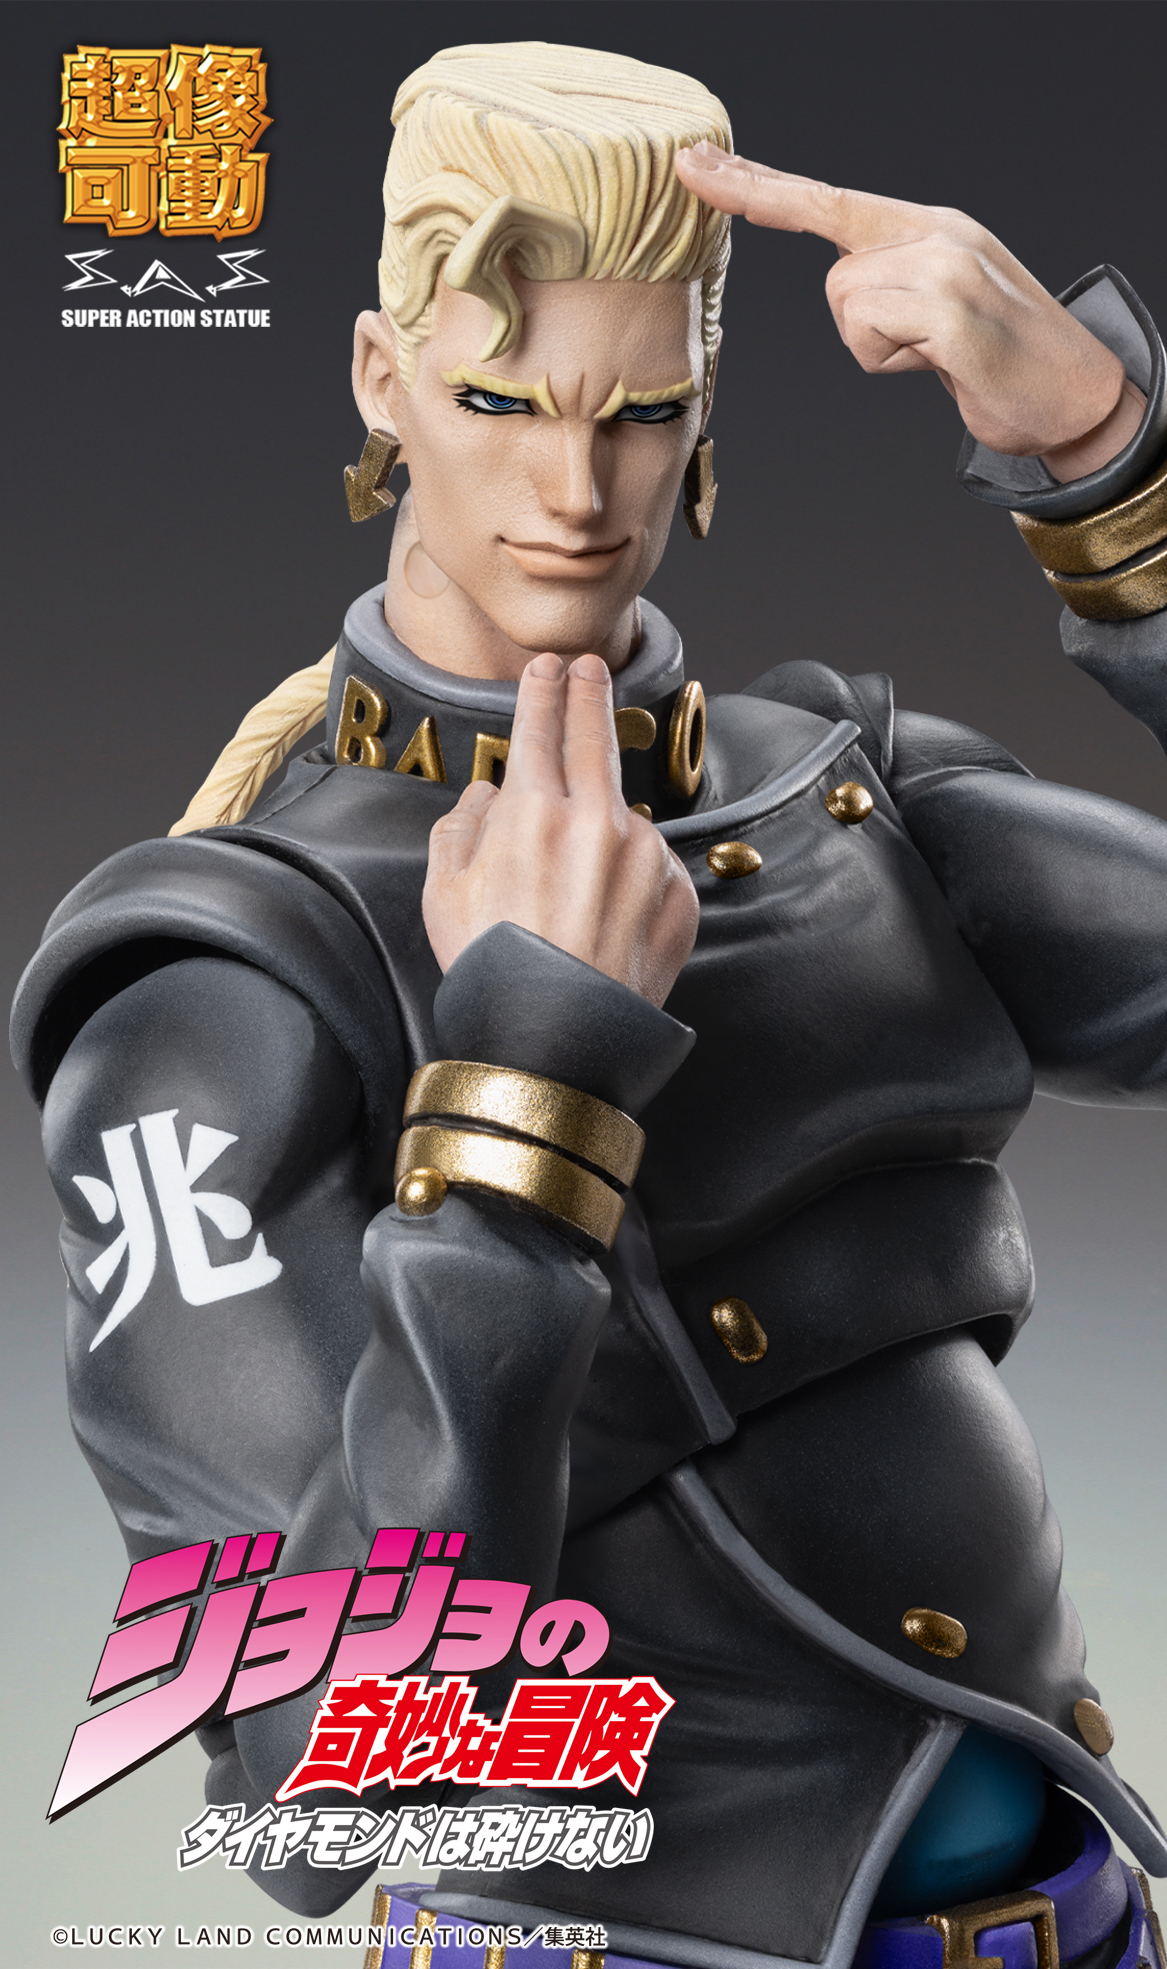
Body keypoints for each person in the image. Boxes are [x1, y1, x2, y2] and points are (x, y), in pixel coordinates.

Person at [13, 38, 1167, 1967]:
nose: (575, 486)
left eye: (643, 410)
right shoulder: (224, 975)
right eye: (500, 397)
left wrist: (1110, 459)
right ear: (382, 380)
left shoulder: (844, 791)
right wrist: (526, 1074)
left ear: (705, 414)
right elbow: (316, 1781)